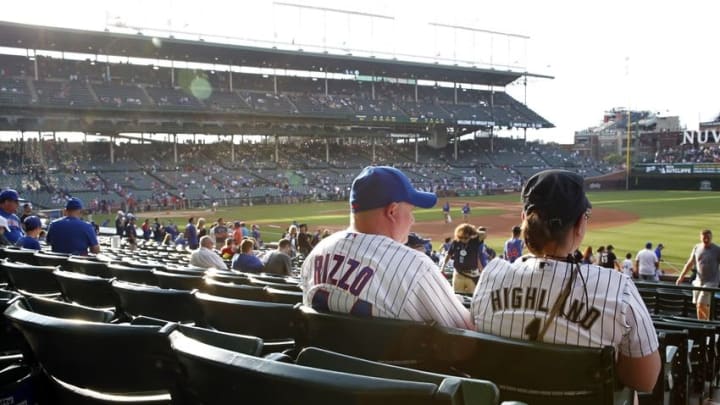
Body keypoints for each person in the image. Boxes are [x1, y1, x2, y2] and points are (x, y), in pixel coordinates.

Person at [471, 169, 659, 393]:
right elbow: (644, 381)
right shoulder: (618, 289)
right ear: (580, 224)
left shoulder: (490, 276)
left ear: (524, 219)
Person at [301, 166, 471, 328]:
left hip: (320, 357)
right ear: (392, 212)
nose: (413, 220)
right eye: (411, 211)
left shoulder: (316, 254)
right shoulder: (414, 267)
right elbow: (467, 332)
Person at [675, 229, 720, 320]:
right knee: (698, 305)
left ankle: (708, 323)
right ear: (700, 238)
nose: (706, 240)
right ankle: (702, 325)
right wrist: (681, 277)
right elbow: (689, 263)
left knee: (701, 303)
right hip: (698, 281)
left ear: (711, 238)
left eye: (708, 238)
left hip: (711, 282)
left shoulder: (717, 250)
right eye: (704, 238)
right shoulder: (697, 248)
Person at [440, 223, 486, 294]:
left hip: (472, 275)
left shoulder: (475, 241)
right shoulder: (456, 242)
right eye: (461, 237)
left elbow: (484, 234)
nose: (463, 239)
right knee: (457, 296)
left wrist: (474, 232)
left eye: (466, 237)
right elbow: (449, 254)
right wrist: (443, 267)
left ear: (470, 235)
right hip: (458, 274)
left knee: (473, 296)